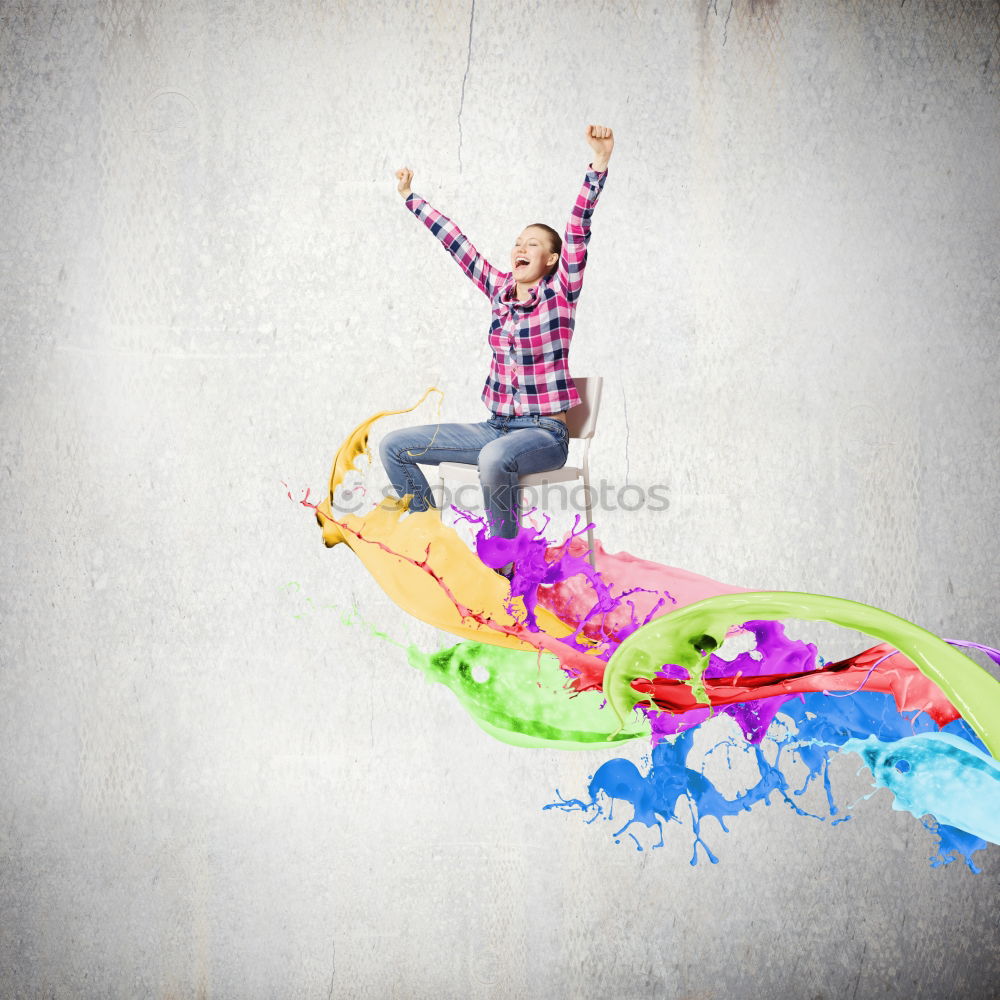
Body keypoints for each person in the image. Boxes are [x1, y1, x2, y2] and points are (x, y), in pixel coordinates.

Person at [380, 125, 614, 577]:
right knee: (394, 446)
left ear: (549, 261)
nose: (520, 248)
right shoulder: (499, 288)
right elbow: (456, 242)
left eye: (533, 245)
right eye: (517, 242)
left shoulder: (561, 293)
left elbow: (578, 228)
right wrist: (411, 197)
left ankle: (506, 565)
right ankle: (432, 543)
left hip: (544, 434)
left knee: (493, 459)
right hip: (495, 427)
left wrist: (598, 165)